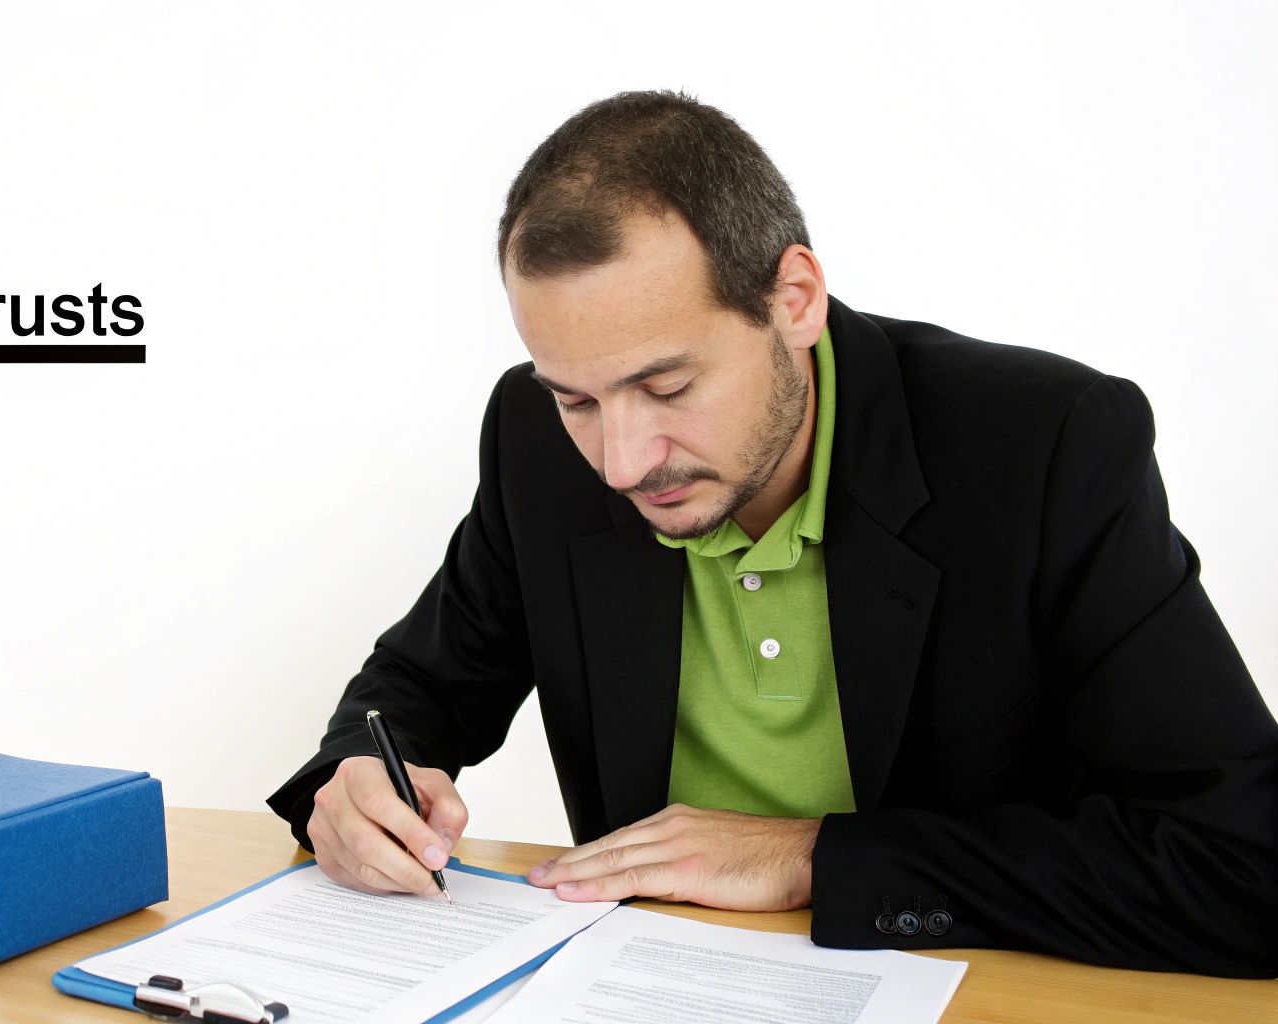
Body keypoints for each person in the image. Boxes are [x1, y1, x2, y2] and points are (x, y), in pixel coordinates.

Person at [265, 90, 1278, 978]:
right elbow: (414, 695)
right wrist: (351, 780)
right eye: (576, 398)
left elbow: (1246, 864)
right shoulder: (537, 444)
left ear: (793, 300)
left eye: (665, 387)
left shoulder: (1043, 448)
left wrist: (812, 856)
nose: (620, 462)